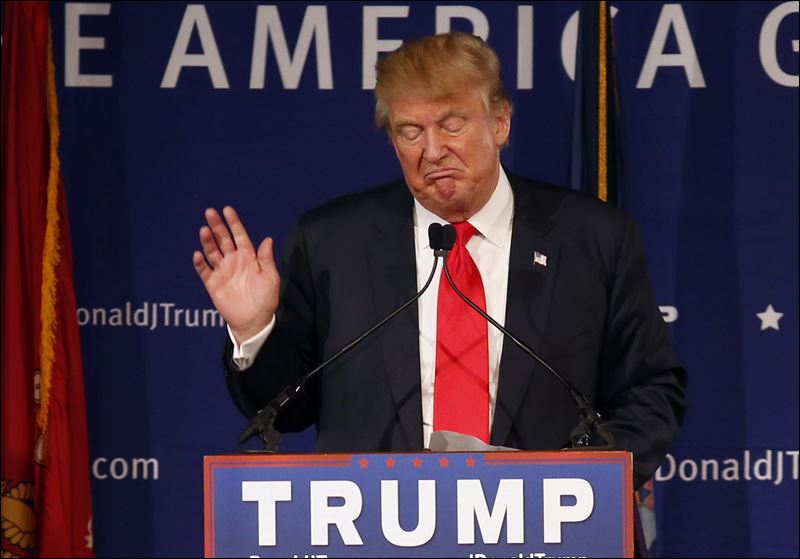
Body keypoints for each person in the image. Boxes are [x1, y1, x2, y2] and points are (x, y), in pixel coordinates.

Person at [193, 32, 686, 490]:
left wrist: (579, 481)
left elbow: (650, 390)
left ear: (500, 123)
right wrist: (255, 331)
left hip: (547, 527)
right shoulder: (331, 242)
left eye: (453, 124)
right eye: (410, 131)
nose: (433, 150)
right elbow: (286, 411)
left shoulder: (594, 238)